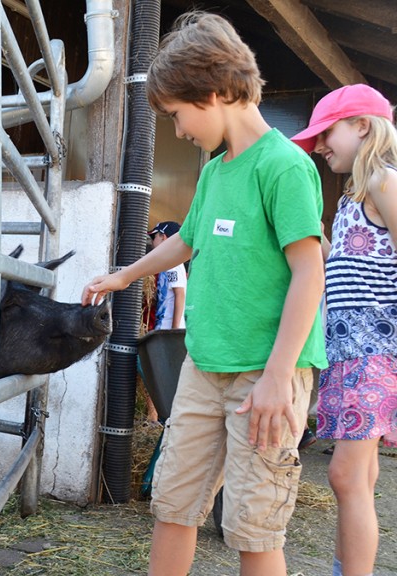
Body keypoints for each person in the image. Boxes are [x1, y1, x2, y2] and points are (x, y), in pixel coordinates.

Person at [81, 11, 327, 576]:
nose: (179, 130)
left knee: (252, 523)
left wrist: (275, 378)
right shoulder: (216, 173)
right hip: (205, 363)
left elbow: (309, 275)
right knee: (174, 501)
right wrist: (124, 275)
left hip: (266, 373)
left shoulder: (284, 167)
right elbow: (186, 240)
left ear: (213, 92)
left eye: (177, 115)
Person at [290, 83, 397, 576]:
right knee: (360, 476)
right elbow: (354, 266)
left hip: (374, 352)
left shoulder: (382, 178)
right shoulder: (355, 196)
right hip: (349, 353)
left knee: (344, 476)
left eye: (325, 133)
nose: (318, 146)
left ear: (362, 126)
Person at [148, 221, 187, 330]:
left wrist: (174, 330)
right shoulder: (166, 263)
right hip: (162, 328)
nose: (151, 242)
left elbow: (180, 294)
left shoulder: (174, 263)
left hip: (169, 329)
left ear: (163, 237)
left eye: (153, 237)